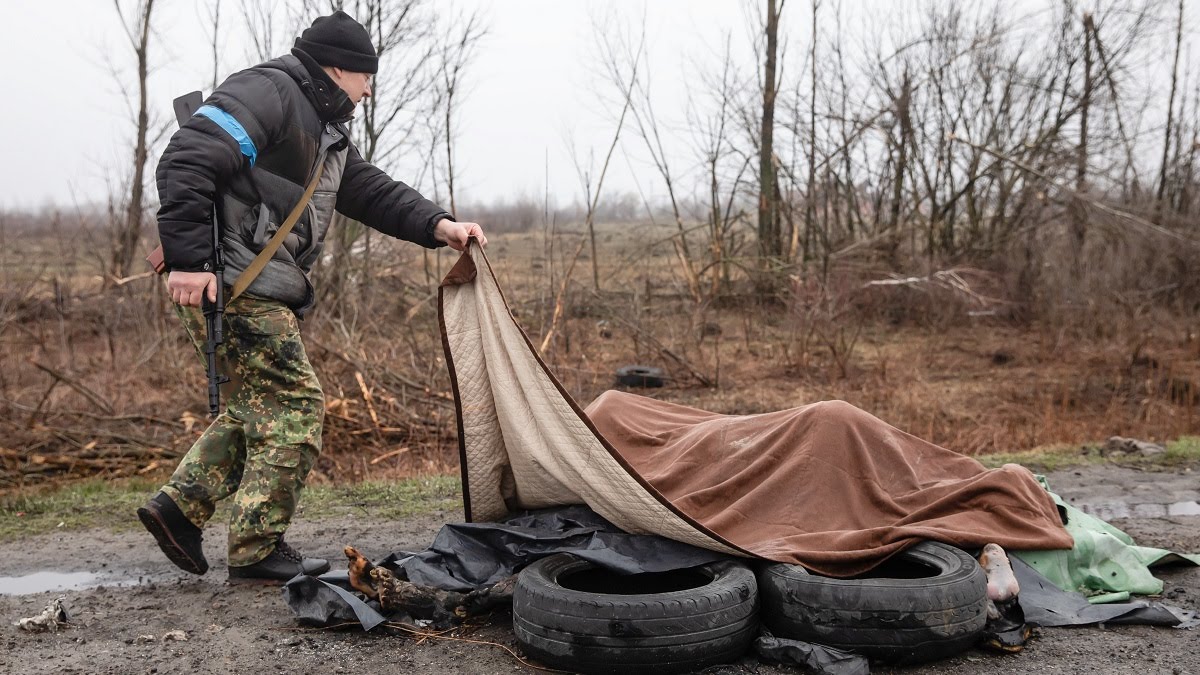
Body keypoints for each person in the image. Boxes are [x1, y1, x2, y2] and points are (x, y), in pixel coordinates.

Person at [137, 10, 487, 584]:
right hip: (232, 281)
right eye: (366, 76)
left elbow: (370, 191)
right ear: (337, 68)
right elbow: (187, 158)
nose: (370, 88)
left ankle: (179, 510)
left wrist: (438, 225)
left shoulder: (323, 127)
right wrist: (189, 261)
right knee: (295, 404)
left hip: (253, 282)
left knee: (262, 404)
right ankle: (254, 548)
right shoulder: (271, 90)